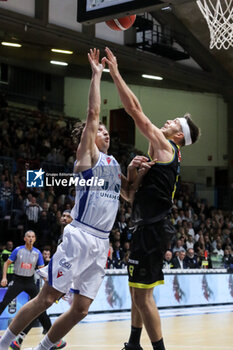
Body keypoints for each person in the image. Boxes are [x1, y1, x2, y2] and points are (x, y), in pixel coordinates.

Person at [0, 48, 140, 350]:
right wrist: (96, 75)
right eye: (99, 130)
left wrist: (136, 172)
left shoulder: (115, 165)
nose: (104, 131)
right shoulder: (87, 157)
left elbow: (130, 194)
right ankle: (4, 343)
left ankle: (43, 347)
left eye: (105, 130)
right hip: (80, 236)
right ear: (89, 137)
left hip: (102, 242)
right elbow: (91, 115)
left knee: (80, 309)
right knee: (46, 298)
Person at [103, 46, 200, 350]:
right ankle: (134, 344)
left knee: (143, 296)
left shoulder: (166, 148)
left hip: (153, 229)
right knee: (136, 290)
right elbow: (130, 196)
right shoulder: (156, 155)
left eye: (173, 122)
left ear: (179, 136)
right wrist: (128, 174)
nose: (166, 122)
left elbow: (134, 110)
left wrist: (115, 72)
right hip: (144, 225)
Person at [0, 231, 65, 350]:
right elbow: (6, 263)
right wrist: (4, 278)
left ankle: (52, 336)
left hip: (29, 282)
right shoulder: (18, 250)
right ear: (24, 238)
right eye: (28, 237)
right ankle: (53, 339)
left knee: (41, 306)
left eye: (33, 237)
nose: (30, 238)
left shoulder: (37, 253)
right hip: (18, 280)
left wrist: (50, 283)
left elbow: (42, 270)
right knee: (4, 302)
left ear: (35, 239)